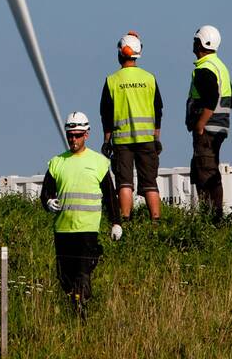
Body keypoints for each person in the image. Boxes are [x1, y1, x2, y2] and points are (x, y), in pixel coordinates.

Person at [39, 112, 121, 317]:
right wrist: (48, 201)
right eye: (70, 135)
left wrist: (116, 222)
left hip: (87, 229)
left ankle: (81, 306)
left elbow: (110, 196)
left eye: (77, 135)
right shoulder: (56, 163)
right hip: (63, 229)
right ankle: (74, 305)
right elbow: (45, 193)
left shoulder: (99, 163)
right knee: (64, 277)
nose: (73, 140)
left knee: (83, 273)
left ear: (87, 134)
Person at [100, 31, 164, 222]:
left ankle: (125, 220)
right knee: (150, 183)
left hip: (122, 141)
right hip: (147, 140)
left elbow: (106, 114)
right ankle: (156, 221)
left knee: (124, 183)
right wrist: (156, 137)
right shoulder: (149, 78)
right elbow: (158, 110)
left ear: (120, 53)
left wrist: (106, 140)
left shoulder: (112, 81)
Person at [185, 25, 232, 222]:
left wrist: (200, 124)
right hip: (220, 126)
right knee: (206, 168)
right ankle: (213, 216)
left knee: (205, 170)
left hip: (207, 129)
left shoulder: (204, 69)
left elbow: (211, 99)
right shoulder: (220, 66)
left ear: (199, 43)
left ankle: (213, 219)